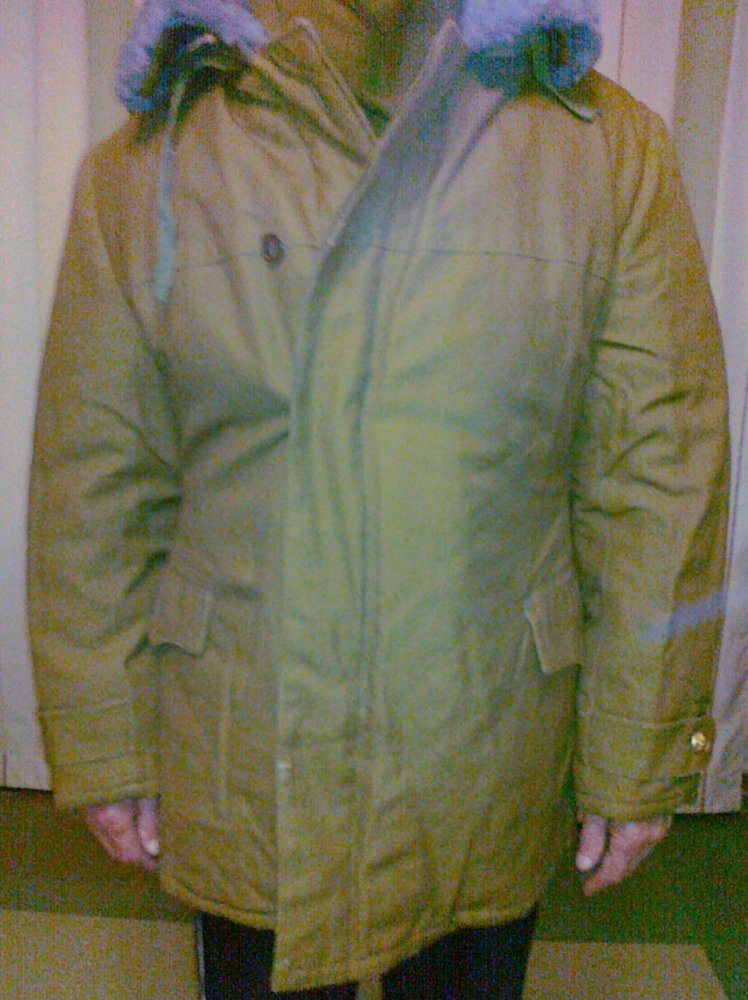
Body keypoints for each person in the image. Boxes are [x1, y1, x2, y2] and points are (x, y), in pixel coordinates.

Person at [27, 1, 729, 997]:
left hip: (482, 746)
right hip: (245, 744)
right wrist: (106, 744)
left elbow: (656, 474)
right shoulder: (151, 163)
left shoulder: (605, 150)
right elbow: (95, 479)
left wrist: (637, 750)